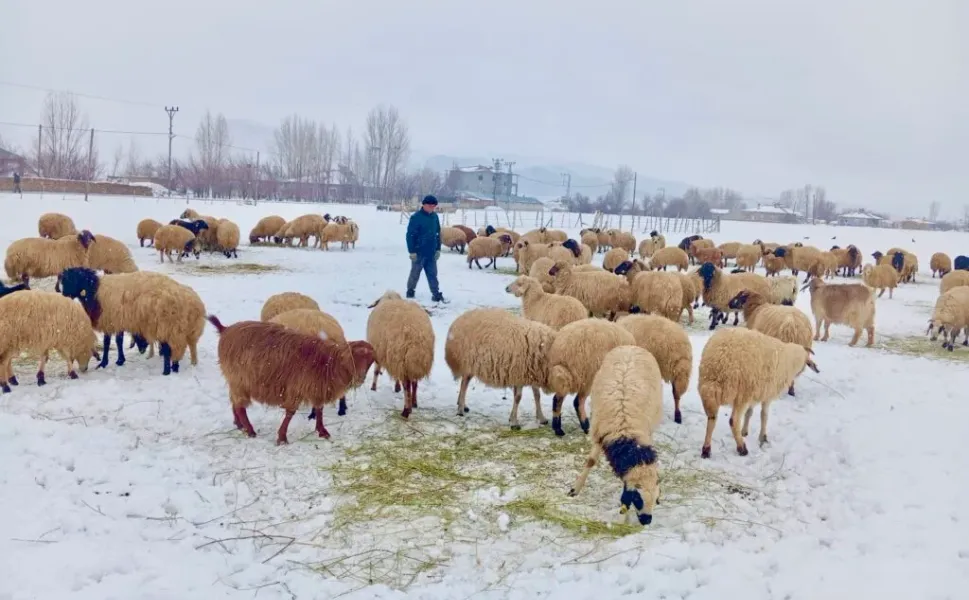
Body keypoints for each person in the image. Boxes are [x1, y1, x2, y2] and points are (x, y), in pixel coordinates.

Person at [405, 194, 445, 302]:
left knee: (432, 274)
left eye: (434, 206)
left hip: (431, 252)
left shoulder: (435, 217)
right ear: (424, 205)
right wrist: (412, 251)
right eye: (430, 206)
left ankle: (436, 293)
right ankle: (410, 290)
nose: (432, 208)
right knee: (415, 273)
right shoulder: (416, 217)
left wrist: (438, 249)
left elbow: (437, 233)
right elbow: (410, 235)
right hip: (419, 252)